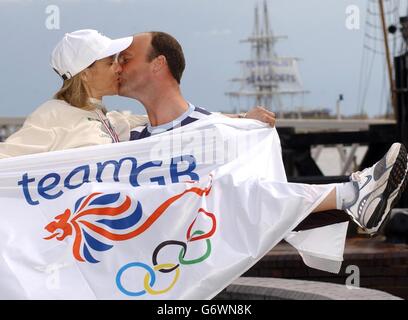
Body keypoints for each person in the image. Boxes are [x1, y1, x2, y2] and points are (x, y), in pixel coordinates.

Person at [117, 31, 408, 235]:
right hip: (140, 266)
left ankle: (352, 195)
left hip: (186, 260)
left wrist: (244, 125)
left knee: (238, 193)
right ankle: (351, 195)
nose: (118, 66)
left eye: (126, 59)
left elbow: (259, 201)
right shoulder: (124, 136)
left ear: (158, 65)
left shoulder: (218, 132)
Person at [0, 29, 275, 159]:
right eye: (110, 62)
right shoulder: (53, 114)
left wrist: (241, 118)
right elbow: (7, 159)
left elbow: (168, 119)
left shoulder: (107, 119)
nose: (118, 67)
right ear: (85, 73)